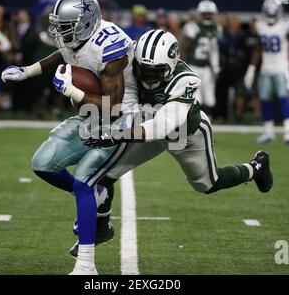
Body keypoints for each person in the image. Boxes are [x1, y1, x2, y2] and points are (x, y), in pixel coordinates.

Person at [70, 29, 274, 256]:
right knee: (104, 174)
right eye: (143, 70)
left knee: (208, 184)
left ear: (170, 65)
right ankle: (101, 228)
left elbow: (163, 126)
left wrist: (114, 135)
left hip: (183, 134)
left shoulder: (185, 80)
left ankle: (256, 168)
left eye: (154, 71)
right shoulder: (131, 58)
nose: (147, 76)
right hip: (145, 127)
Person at [1, 0, 138, 275]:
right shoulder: (77, 38)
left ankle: (86, 265)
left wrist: (72, 91)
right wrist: (27, 72)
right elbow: (61, 54)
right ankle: (100, 194)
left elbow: (113, 106)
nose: (60, 32)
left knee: (83, 180)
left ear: (86, 23)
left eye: (65, 26)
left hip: (122, 119)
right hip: (91, 114)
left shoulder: (109, 47)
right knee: (42, 163)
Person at [244, 0, 289, 144]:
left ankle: (288, 132)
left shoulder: (285, 26)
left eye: (273, 13)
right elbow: (258, 48)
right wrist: (251, 69)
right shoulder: (260, 26)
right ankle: (269, 132)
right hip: (266, 69)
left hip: (281, 68)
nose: (270, 16)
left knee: (284, 99)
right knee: (264, 100)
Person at [181, 0, 221, 118]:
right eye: (205, 13)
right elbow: (184, 48)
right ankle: (195, 123)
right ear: (200, 14)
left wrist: (216, 66)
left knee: (209, 98)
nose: (207, 16)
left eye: (210, 13)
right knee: (196, 97)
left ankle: (207, 123)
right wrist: (184, 66)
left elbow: (214, 51)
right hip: (193, 65)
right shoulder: (193, 27)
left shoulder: (217, 29)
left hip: (207, 67)